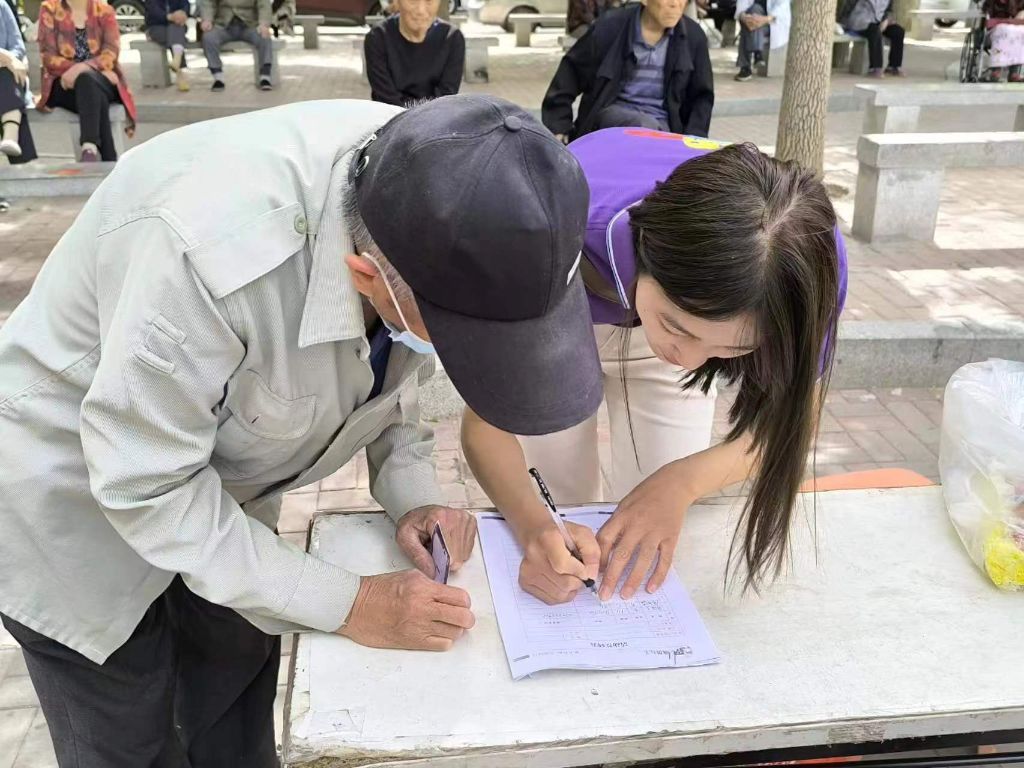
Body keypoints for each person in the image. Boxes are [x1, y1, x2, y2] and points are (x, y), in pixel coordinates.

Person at [0, 95, 601, 767]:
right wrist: (352, 602)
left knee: (235, 701)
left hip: (225, 494)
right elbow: (151, 488)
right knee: (128, 739)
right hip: (76, 502)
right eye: (462, 341)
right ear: (366, 276)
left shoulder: (440, 180)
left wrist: (414, 496)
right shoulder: (207, 260)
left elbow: (392, 373)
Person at [462, 128, 848, 606]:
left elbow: (789, 429)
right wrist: (534, 525)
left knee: (656, 513)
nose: (688, 361)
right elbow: (484, 426)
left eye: (734, 349)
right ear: (643, 256)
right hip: (565, 297)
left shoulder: (803, 266)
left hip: (660, 290)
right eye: (677, 329)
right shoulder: (548, 234)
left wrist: (683, 482)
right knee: (561, 502)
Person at [542, 0, 714, 142]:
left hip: (664, 127)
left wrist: (694, 142)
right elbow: (570, 72)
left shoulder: (693, 37)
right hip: (612, 119)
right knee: (643, 127)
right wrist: (559, 125)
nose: (675, 4)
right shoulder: (609, 28)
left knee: (654, 136)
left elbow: (702, 96)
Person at [35, 0, 137, 162]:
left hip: (100, 81)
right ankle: (107, 158)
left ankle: (90, 148)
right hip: (63, 84)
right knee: (92, 90)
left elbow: (111, 51)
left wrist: (82, 68)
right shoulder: (49, 8)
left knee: (87, 80)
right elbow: (48, 55)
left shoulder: (105, 11)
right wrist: (84, 71)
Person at [364, 0, 464, 107]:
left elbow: (445, 99)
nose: (421, 10)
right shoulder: (378, 38)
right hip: (391, 115)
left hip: (437, 116)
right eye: (412, 1)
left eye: (429, 1)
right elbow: (387, 99)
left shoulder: (452, 38)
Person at [200, 0, 273, 91]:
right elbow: (208, 2)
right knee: (208, 37)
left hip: (249, 25)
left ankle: (265, 76)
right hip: (223, 25)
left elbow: (264, 5)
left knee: (264, 37)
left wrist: (264, 24)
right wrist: (207, 19)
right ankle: (218, 77)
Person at [0, 0, 38, 162]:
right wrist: (6, 56)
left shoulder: (2, 6)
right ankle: (23, 162)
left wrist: (12, 59)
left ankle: (11, 138)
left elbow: (18, 46)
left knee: (9, 75)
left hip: (6, 78)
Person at [841, 0, 905, 77]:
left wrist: (886, 20)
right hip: (859, 21)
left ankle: (893, 66)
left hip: (879, 21)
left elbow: (888, 10)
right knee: (875, 31)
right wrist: (843, 23)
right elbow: (848, 6)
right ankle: (875, 68)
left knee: (898, 31)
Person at [733, 0, 788, 81]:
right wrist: (745, 18)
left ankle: (745, 68)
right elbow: (741, 7)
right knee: (754, 10)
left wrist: (764, 19)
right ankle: (758, 54)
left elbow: (781, 10)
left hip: (772, 24)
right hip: (752, 23)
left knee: (748, 29)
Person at [144, 0, 191, 91]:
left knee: (176, 29)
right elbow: (154, 12)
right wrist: (170, 17)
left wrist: (182, 13)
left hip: (176, 24)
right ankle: (179, 69)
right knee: (177, 36)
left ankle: (177, 65)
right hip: (157, 26)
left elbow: (185, 5)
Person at [981, 0, 1024, 83]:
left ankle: (1014, 72)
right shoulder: (991, 2)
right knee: (1002, 30)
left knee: (1021, 32)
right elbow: (988, 22)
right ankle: (996, 70)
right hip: (995, 31)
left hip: (1014, 29)